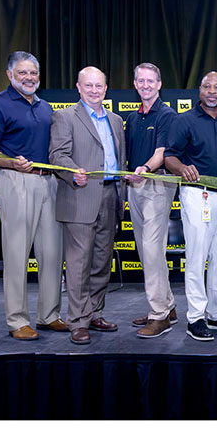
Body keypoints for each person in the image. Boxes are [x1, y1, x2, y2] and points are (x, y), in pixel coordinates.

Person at [0, 51, 66, 341]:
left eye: (33, 73)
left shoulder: (45, 107)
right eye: (22, 73)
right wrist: (11, 162)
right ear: (10, 75)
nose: (29, 78)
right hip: (15, 181)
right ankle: (17, 320)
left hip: (48, 182)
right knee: (16, 252)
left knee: (52, 253)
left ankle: (49, 315)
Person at [164, 71, 217, 342]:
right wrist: (182, 167)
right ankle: (195, 318)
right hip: (197, 196)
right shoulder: (183, 120)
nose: (212, 91)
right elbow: (169, 157)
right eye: (207, 86)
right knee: (198, 258)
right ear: (199, 90)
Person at [48, 67, 125, 345]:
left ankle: (95, 313)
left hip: (110, 196)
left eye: (99, 86)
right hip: (79, 196)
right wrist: (72, 172)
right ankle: (78, 321)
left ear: (106, 89)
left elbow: (119, 159)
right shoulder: (65, 116)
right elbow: (58, 154)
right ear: (78, 88)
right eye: (88, 85)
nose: (94, 90)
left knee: (102, 262)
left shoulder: (115, 120)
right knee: (79, 264)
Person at [124, 63, 180, 339]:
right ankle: (167, 305)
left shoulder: (167, 115)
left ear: (159, 84)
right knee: (146, 250)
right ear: (135, 84)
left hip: (156, 184)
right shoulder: (133, 118)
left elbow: (161, 153)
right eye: (141, 81)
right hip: (135, 187)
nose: (145, 85)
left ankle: (159, 316)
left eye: (151, 81)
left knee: (151, 248)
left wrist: (145, 169)